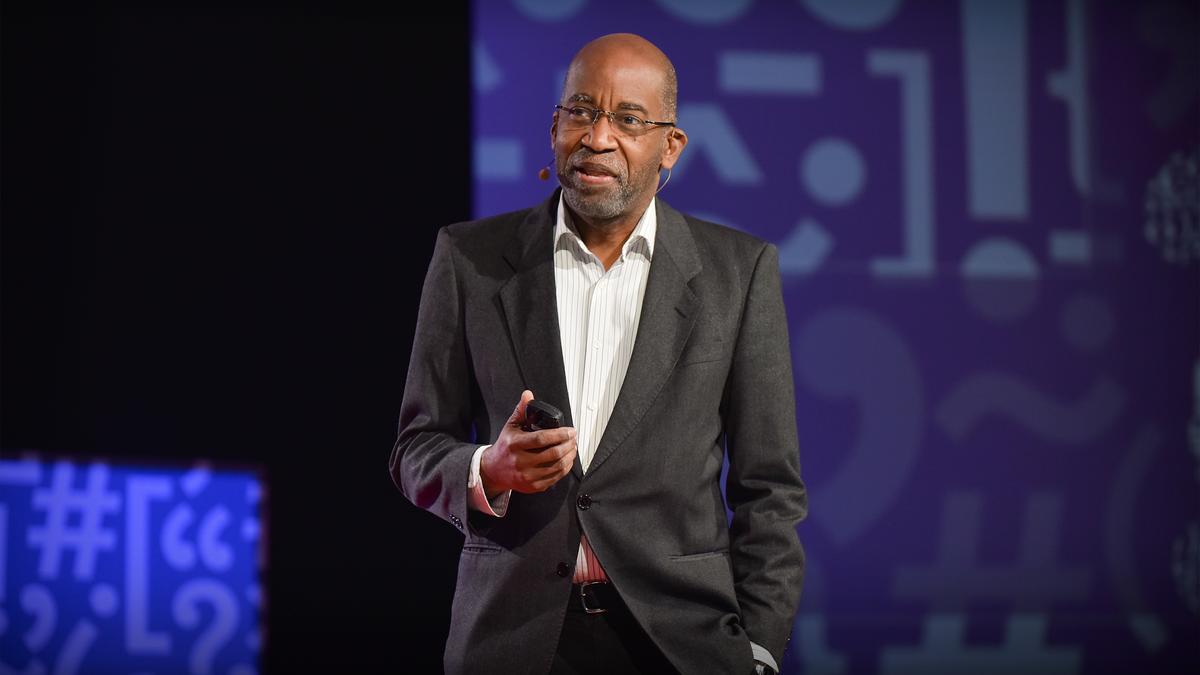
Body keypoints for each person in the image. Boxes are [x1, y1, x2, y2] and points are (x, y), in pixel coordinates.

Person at [390, 33, 807, 675]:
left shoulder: (738, 274)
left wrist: (758, 647)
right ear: (554, 126)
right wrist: (487, 468)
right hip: (512, 641)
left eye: (628, 119)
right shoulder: (470, 259)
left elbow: (770, 489)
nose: (597, 137)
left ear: (671, 146)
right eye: (581, 111)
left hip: (681, 645)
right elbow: (416, 447)